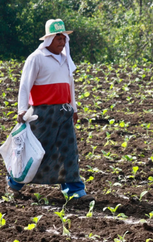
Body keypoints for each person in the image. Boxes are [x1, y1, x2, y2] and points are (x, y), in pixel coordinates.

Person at [6, 18, 94, 204]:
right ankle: (14, 183)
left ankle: (74, 190)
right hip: (42, 113)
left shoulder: (65, 59)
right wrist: (22, 109)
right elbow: (24, 86)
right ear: (49, 39)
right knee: (36, 150)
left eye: (64, 38)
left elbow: (70, 85)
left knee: (69, 150)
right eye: (58, 38)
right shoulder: (36, 58)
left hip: (63, 111)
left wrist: (74, 108)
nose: (62, 42)